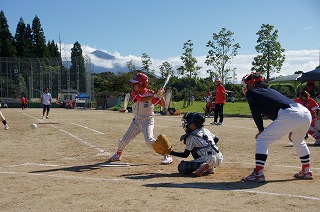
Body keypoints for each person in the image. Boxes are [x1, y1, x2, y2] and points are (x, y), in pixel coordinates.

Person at [241, 72, 313, 183]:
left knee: (262, 139)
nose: (246, 87)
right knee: (298, 141)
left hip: (290, 114)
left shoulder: (252, 92)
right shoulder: (271, 91)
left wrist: (261, 130)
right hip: (304, 112)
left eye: (247, 84)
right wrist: (294, 126)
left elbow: (256, 112)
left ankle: (258, 174)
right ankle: (306, 170)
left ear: (252, 84)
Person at [107, 72, 174, 165]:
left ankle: (167, 155)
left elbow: (163, 105)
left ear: (142, 84)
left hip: (147, 121)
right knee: (123, 140)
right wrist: (155, 95)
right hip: (136, 121)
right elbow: (142, 99)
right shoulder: (135, 93)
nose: (133, 85)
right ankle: (118, 155)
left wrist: (161, 95)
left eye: (136, 83)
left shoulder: (151, 93)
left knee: (149, 140)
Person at [169, 112, 223, 177]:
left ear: (193, 125)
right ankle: (210, 168)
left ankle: (201, 165)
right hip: (219, 158)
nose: (186, 124)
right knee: (200, 148)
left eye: (188, 122)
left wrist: (170, 152)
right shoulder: (206, 130)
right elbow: (216, 139)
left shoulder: (191, 137)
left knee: (182, 167)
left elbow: (185, 155)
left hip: (207, 159)